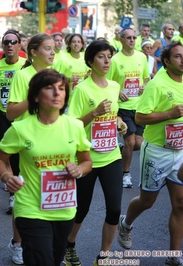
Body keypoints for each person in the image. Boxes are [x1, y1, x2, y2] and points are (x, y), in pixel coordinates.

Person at [0, 68, 92, 266]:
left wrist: (79, 170)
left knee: (53, 260)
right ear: (36, 96)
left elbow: (87, 161)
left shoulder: (74, 126)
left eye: (61, 89)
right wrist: (6, 177)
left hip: (64, 209)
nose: (57, 93)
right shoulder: (20, 129)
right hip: (30, 208)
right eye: (49, 88)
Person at [118, 41, 183, 266]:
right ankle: (126, 223)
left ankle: (174, 255)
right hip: (156, 152)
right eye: (177, 56)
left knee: (180, 204)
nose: (182, 60)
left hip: (180, 151)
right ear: (166, 61)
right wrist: (170, 113)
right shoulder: (157, 84)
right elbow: (140, 118)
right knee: (148, 201)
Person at [65, 40, 128, 266]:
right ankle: (69, 244)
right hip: (86, 158)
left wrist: (119, 123)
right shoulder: (82, 89)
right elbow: (71, 125)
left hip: (111, 155)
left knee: (114, 209)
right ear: (90, 61)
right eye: (101, 57)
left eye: (109, 56)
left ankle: (104, 256)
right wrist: (94, 113)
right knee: (81, 209)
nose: (107, 61)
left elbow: (114, 116)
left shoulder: (113, 86)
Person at [0, 29, 26, 265]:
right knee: (7, 154)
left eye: (13, 42)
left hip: (21, 115)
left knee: (22, 155)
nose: (9, 45)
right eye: (6, 43)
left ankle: (18, 184)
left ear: (20, 45)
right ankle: (13, 193)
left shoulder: (25, 66)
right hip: (3, 115)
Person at [107, 27, 150, 188]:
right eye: (128, 38)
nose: (132, 40)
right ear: (121, 40)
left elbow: (146, 78)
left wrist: (144, 86)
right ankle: (126, 174)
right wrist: (118, 91)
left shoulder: (141, 57)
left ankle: (120, 150)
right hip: (123, 107)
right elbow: (108, 83)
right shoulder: (115, 60)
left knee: (140, 143)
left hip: (139, 106)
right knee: (131, 142)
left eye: (134, 37)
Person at [7, 33, 56, 122]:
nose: (53, 53)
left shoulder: (54, 75)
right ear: (34, 52)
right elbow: (10, 114)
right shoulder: (21, 75)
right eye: (48, 49)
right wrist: (35, 97)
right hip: (26, 133)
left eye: (53, 49)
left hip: (48, 132)